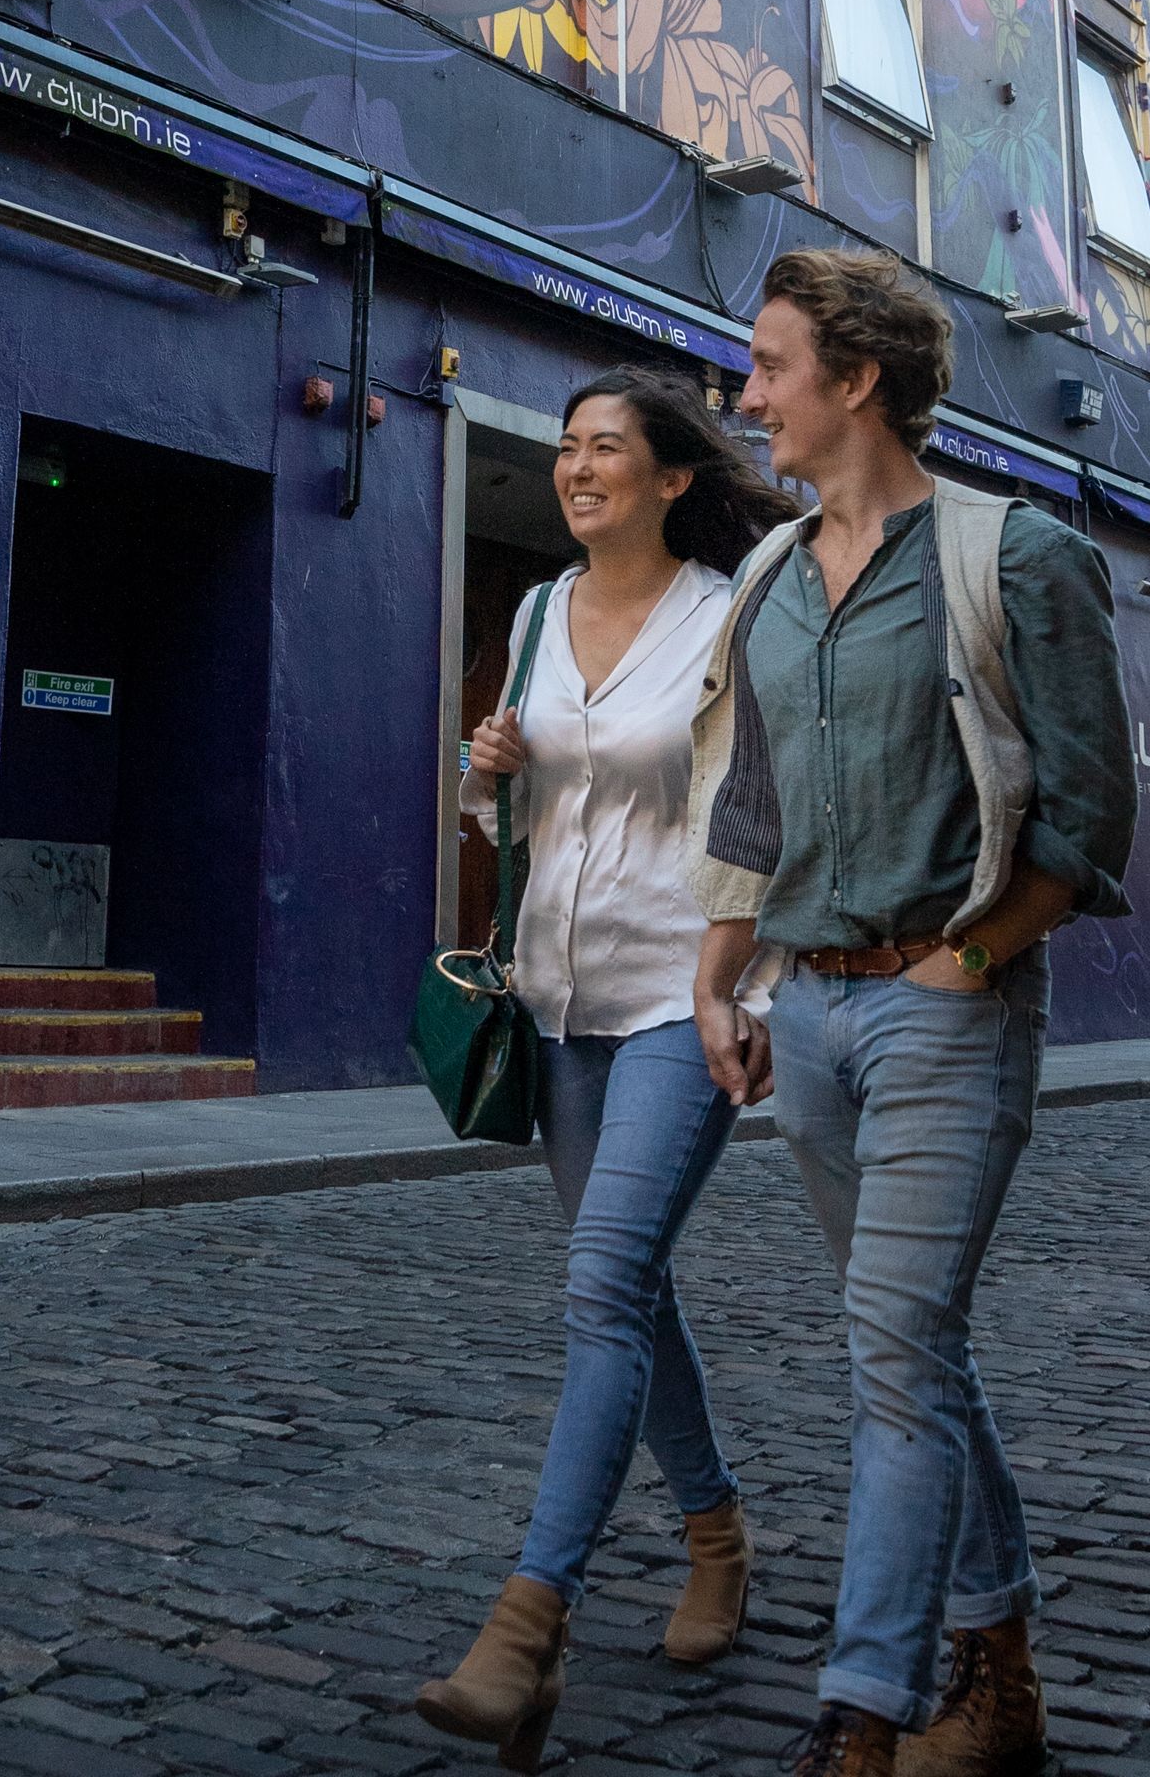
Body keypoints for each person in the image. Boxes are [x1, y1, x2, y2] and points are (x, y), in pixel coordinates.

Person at [689, 249, 1136, 1777]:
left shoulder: (1012, 557)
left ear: (855, 379)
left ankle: (859, 1714)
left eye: (766, 368)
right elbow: (751, 802)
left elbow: (1089, 815)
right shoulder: (766, 573)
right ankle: (1001, 1681)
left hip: (945, 1009)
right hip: (802, 1012)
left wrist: (974, 956)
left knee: (893, 1351)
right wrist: (724, 977)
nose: (744, 397)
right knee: (916, 1353)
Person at [416, 366, 797, 1772]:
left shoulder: (724, 615)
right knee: (625, 1286)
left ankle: (529, 1625)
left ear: (673, 477)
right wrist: (490, 762)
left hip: (679, 999)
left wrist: (734, 981)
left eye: (607, 450)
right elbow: (504, 806)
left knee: (601, 1285)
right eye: (567, 450)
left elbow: (757, 805)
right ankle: (719, 1534)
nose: (578, 470)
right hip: (558, 995)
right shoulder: (530, 614)